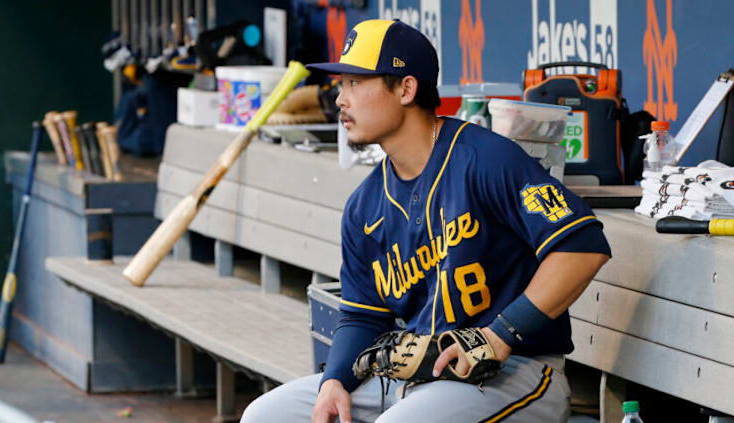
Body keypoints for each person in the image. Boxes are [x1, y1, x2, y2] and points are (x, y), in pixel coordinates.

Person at [241, 19, 611, 423]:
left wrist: (501, 334)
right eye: (341, 84)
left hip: (514, 372)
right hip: (413, 378)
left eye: (355, 83)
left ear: (406, 88)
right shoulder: (364, 205)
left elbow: (582, 246)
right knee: (265, 416)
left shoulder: (485, 160)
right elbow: (363, 315)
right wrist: (334, 381)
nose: (340, 99)